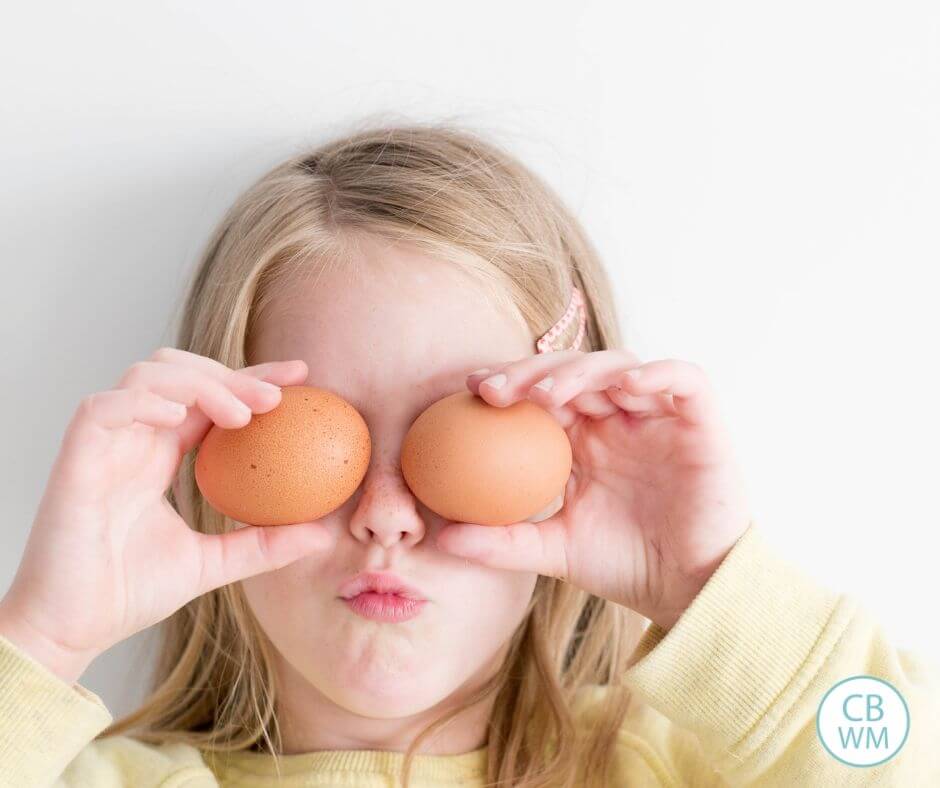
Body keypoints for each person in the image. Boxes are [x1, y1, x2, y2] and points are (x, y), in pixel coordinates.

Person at [0, 124, 937, 787]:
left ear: (567, 455)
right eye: (322, 434)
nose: (388, 513)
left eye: (463, 431)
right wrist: (42, 640)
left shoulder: (693, 763)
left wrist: (708, 584)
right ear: (212, 451)